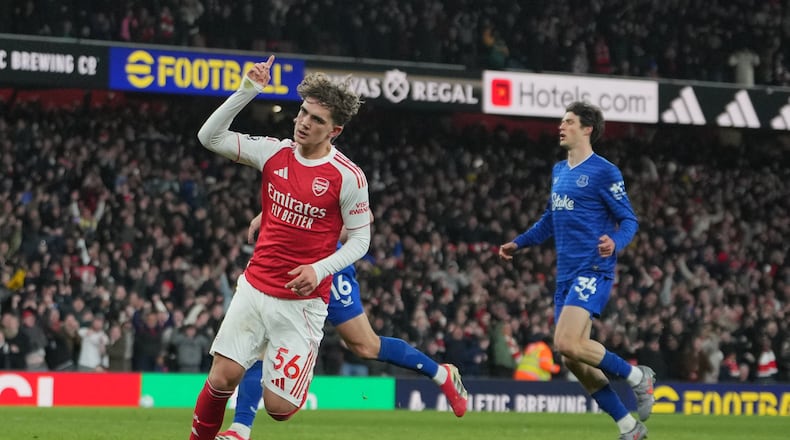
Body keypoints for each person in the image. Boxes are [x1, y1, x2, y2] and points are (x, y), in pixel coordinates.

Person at [189, 56, 372, 440]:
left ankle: (294, 367)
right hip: (255, 288)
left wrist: (319, 269)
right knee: (222, 377)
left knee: (279, 409)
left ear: (334, 130)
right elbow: (210, 137)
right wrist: (248, 89)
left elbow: (361, 239)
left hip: (302, 304)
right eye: (303, 113)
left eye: (317, 120)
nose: (305, 122)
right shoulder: (274, 152)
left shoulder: (348, 177)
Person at [215, 214, 468, 440]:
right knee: (262, 339)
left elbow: (364, 216)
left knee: (365, 345)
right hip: (284, 257)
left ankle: (441, 374)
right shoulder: (289, 163)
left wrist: (320, 231)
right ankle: (240, 430)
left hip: (327, 266)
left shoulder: (338, 169)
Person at [498, 102, 655, 440]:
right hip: (566, 274)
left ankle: (638, 378)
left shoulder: (604, 171)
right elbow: (550, 220)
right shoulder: (559, 170)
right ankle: (629, 427)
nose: (561, 126)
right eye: (561, 121)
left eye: (569, 122)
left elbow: (629, 219)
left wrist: (615, 241)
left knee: (567, 341)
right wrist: (520, 243)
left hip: (593, 267)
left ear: (588, 129)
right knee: (572, 358)